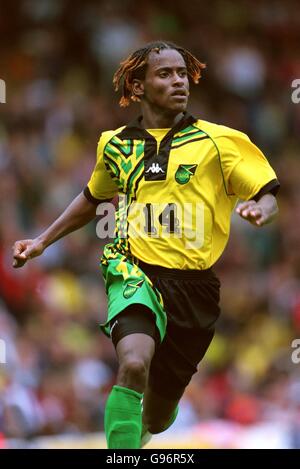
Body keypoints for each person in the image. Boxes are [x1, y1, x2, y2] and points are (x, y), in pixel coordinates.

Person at [13, 41, 280, 449]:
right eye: (165, 74)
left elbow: (267, 192)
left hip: (195, 290)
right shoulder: (115, 144)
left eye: (181, 74)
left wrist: (261, 208)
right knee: (133, 364)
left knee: (157, 414)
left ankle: (139, 434)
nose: (179, 82)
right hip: (132, 270)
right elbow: (92, 197)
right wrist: (42, 241)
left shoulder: (219, 142)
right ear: (137, 87)